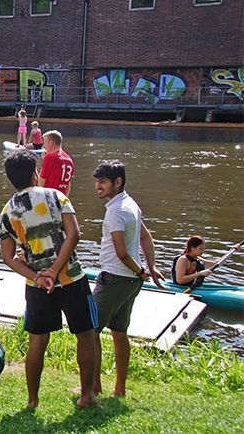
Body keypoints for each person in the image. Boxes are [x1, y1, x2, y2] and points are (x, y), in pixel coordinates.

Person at [0, 148, 98, 409]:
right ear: (35, 173)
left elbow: (8, 257)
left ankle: (32, 401)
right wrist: (55, 270)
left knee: (38, 341)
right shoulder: (57, 197)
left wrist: (38, 276)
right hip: (71, 278)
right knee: (85, 334)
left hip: (36, 285)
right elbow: (74, 234)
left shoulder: (7, 211)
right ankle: (87, 396)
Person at [91, 160, 164, 397]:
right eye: (97, 182)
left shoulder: (115, 211)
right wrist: (150, 268)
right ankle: (119, 389)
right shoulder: (130, 204)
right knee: (119, 334)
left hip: (114, 279)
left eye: (102, 182)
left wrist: (141, 271)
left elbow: (121, 252)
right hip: (131, 282)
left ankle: (94, 388)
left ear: (118, 182)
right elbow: (145, 237)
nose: (97, 187)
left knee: (90, 331)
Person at [39, 130, 74, 196]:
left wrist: (44, 161)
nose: (44, 146)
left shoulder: (50, 157)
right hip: (61, 198)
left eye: (45, 143)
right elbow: (68, 185)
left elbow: (41, 181)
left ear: (51, 143)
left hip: (48, 198)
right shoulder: (69, 160)